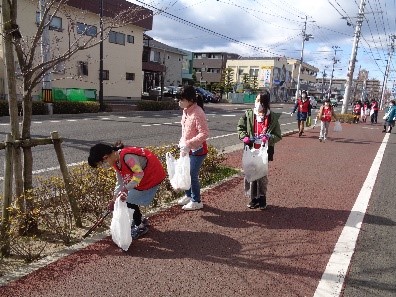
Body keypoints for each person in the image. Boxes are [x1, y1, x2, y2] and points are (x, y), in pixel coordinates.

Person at [88, 142, 166, 239]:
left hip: (152, 176)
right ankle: (140, 219)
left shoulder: (127, 157)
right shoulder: (116, 161)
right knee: (126, 198)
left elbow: (138, 173)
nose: (103, 167)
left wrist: (126, 189)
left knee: (128, 199)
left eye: (101, 164)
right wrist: (114, 199)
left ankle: (140, 226)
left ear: (105, 157)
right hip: (144, 177)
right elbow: (120, 182)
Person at [237, 90, 282, 210]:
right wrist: (244, 137)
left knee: (261, 176)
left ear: (266, 103)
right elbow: (240, 127)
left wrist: (269, 138)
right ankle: (254, 199)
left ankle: (262, 198)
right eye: (257, 100)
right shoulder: (249, 114)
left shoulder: (272, 118)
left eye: (261, 102)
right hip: (251, 150)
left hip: (264, 152)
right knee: (251, 174)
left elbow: (278, 135)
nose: (258, 104)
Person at [176, 85, 209, 211]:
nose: (179, 102)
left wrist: (188, 143)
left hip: (198, 150)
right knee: (186, 172)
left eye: (181, 99)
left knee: (191, 174)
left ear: (190, 100)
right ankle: (189, 196)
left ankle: (196, 200)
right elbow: (186, 130)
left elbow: (204, 133)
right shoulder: (186, 111)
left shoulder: (198, 113)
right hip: (187, 149)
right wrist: (183, 142)